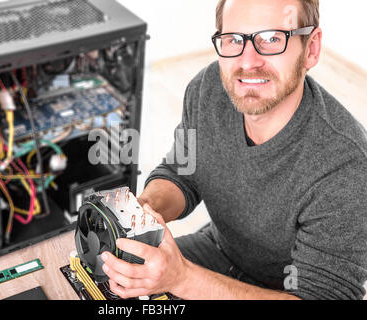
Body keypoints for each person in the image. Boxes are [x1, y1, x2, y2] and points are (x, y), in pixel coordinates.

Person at [100, 0, 367, 300]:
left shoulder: (346, 165)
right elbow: (182, 173)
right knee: (107, 287)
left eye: (271, 39)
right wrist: (146, 211)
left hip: (286, 291)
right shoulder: (208, 88)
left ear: (311, 48)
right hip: (218, 251)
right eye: (234, 40)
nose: (248, 61)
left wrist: (182, 279)